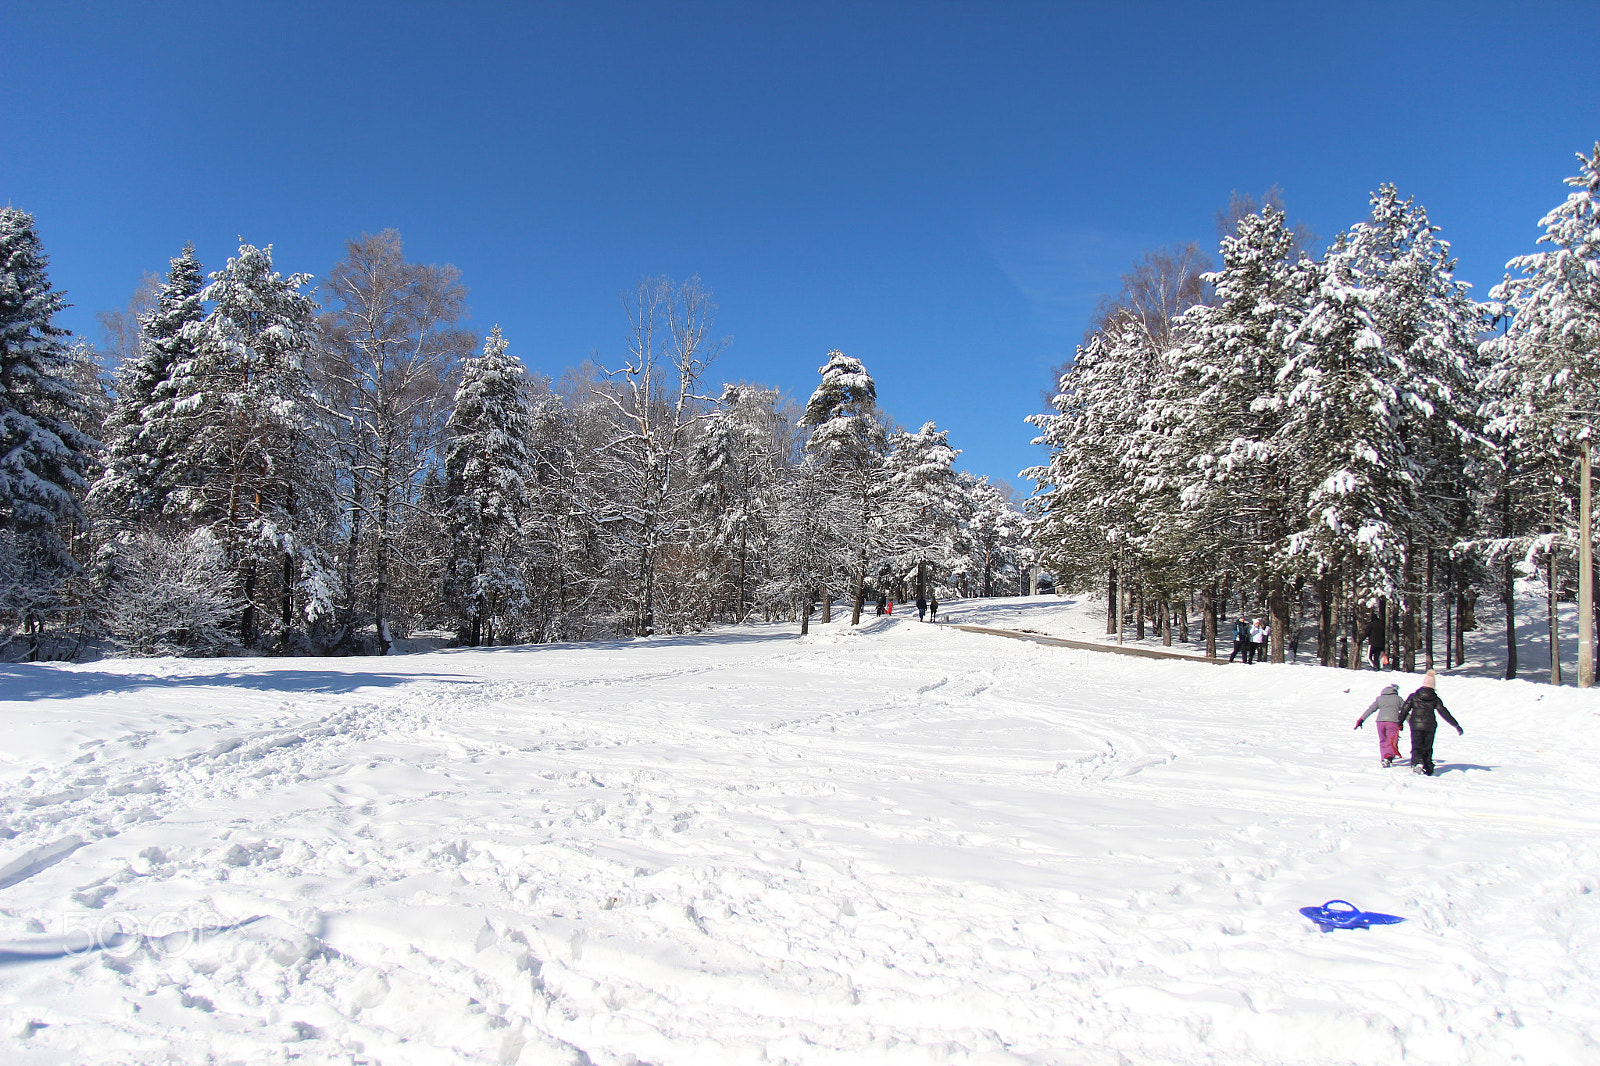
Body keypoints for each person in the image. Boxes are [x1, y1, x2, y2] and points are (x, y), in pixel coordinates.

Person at [1397, 670, 1463, 776]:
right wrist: (1456, 725)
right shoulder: (1435, 699)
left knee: (1417, 745)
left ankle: (1417, 763)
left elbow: (1405, 710)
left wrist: (1399, 723)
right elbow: (1444, 712)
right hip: (1430, 726)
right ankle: (1428, 767)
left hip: (1416, 725)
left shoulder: (1413, 696)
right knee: (1428, 746)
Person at [1354, 682, 1405, 767]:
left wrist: (1361, 719)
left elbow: (1370, 709)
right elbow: (1405, 711)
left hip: (1380, 722)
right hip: (1393, 721)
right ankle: (1388, 757)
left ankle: (1385, 757)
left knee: (1383, 739)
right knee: (1392, 740)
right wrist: (1412, 722)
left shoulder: (1380, 699)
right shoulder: (1398, 699)